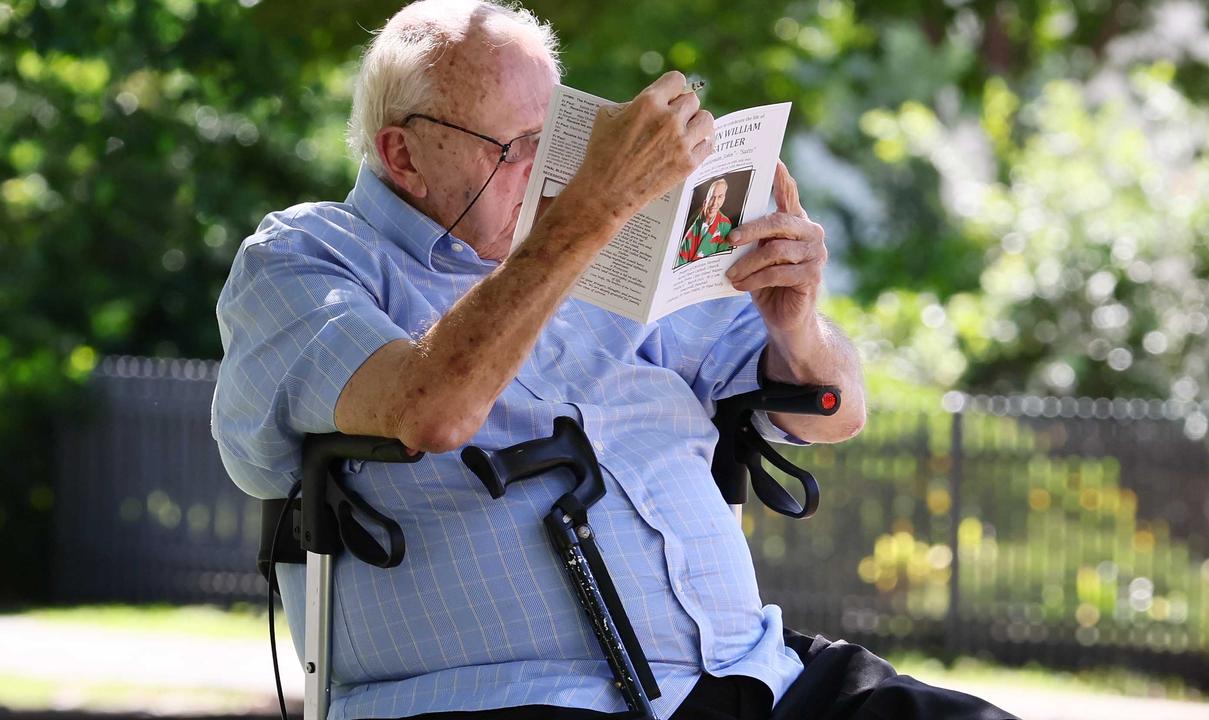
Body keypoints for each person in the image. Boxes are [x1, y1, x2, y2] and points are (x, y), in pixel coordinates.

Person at [211, 2, 1015, 719]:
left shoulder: (616, 244)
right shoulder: (305, 258)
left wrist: (797, 322)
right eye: (519, 147)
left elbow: (832, 412)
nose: (551, 173)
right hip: (512, 695)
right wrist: (583, 219)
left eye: (558, 137)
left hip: (752, 673)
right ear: (404, 154)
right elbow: (431, 408)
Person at [675, 177, 733, 268]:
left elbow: (721, 262)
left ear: (723, 199)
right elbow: (680, 257)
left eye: (720, 197)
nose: (714, 203)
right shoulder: (693, 220)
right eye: (712, 198)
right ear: (705, 202)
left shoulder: (725, 225)